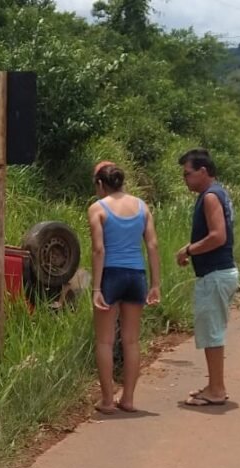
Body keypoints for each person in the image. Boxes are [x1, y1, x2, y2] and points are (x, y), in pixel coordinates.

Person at [88, 161, 161, 414]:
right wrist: (155, 284)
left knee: (105, 342)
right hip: (136, 275)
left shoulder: (98, 208)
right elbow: (152, 246)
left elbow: (99, 250)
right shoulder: (142, 207)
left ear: (100, 183)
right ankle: (128, 398)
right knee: (131, 341)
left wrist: (96, 289)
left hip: (111, 275)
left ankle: (108, 400)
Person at [175, 148, 240, 406]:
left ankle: (216, 390)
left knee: (212, 333)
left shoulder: (211, 197)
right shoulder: (216, 193)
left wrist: (189, 249)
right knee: (212, 331)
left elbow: (218, 236)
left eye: (187, 174)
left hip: (215, 274)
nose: (185, 179)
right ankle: (215, 385)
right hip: (218, 273)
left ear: (203, 171)